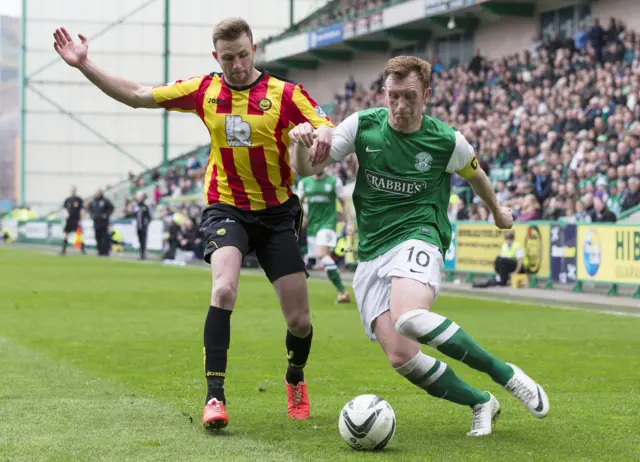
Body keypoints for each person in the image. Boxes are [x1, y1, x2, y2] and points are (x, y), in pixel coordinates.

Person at [52, 18, 333, 430]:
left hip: (277, 214)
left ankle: (294, 376)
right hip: (227, 207)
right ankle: (214, 397)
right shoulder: (205, 90)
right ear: (215, 56)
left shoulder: (287, 94)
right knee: (223, 288)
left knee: (300, 321)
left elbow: (326, 132)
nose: (236, 65)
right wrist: (84, 65)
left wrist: (315, 139)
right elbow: (137, 95)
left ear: (254, 49)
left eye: (242, 55)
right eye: (227, 58)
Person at [291, 56, 549, 437]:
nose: (399, 105)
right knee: (400, 355)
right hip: (372, 251)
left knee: (409, 316)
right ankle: (480, 401)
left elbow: (475, 175)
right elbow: (306, 170)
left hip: (420, 233)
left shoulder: (446, 141)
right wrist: (300, 144)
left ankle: (506, 374)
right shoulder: (362, 126)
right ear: (384, 93)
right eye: (393, 95)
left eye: (409, 96)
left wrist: (497, 212)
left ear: (426, 96)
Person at [297, 168, 352, 304]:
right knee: (322, 259)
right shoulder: (304, 183)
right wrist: (301, 218)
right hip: (312, 227)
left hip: (327, 225)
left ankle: (342, 291)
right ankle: (342, 292)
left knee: (322, 254)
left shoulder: (334, 182)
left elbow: (344, 203)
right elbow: (297, 204)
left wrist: (349, 222)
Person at [87, 189, 114, 256]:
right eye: (96, 193)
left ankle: (106, 251)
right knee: (97, 237)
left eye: (98, 193)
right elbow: (89, 208)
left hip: (104, 222)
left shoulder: (105, 200)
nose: (97, 194)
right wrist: (91, 215)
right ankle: (100, 251)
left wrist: (106, 215)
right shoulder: (93, 201)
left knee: (105, 237)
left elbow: (111, 208)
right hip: (96, 222)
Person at [61, 186, 86, 255]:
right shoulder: (68, 199)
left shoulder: (79, 199)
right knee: (66, 234)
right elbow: (65, 209)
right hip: (69, 219)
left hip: (76, 219)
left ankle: (83, 249)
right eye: (72, 191)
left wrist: (81, 219)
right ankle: (63, 249)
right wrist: (65, 215)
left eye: (74, 190)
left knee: (79, 234)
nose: (73, 192)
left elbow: (82, 210)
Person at [132, 191, 152, 260]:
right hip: (138, 226)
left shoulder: (146, 205)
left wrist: (146, 223)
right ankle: (141, 254)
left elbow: (149, 216)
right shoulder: (136, 205)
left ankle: (144, 254)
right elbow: (134, 214)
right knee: (140, 240)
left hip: (143, 226)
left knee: (144, 240)